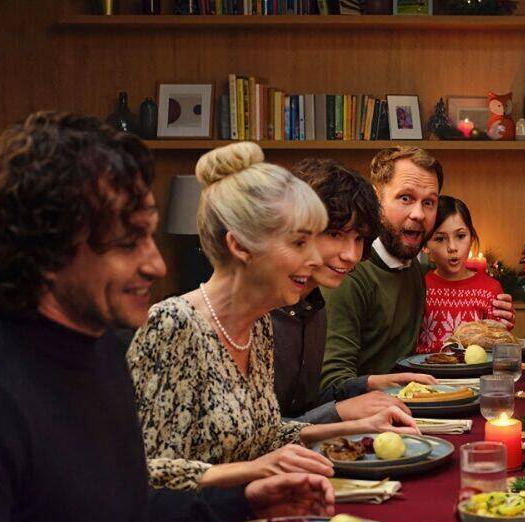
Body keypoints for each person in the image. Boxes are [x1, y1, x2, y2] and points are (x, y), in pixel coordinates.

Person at [0, 111, 335, 522]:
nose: (155, 262)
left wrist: (242, 501)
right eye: (128, 243)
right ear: (47, 251)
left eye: (150, 234)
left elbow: (120, 512)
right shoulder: (1, 387)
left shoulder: (96, 345)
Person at [128, 143, 417, 492]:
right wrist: (251, 471)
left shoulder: (258, 324)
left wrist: (359, 427)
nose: (313, 260)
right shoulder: (171, 324)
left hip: (253, 513)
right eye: (299, 244)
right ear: (240, 246)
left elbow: (268, 434)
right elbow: (138, 472)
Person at [321, 146, 515, 389]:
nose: (419, 214)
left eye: (429, 202)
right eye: (405, 198)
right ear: (375, 199)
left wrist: (491, 327)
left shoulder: (412, 268)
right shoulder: (349, 273)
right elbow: (332, 384)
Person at [274, 158, 435, 424]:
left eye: (359, 239)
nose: (351, 255)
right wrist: (339, 411)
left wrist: (368, 384)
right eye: (336, 234)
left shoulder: (312, 305)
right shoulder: (262, 311)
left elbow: (305, 402)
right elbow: (258, 435)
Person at [416, 195, 506, 353]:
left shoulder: (490, 289)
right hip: (428, 375)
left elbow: (498, 348)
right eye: (440, 239)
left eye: (460, 236)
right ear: (425, 246)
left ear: (471, 238)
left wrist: (502, 329)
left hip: (476, 376)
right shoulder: (419, 288)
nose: (452, 247)